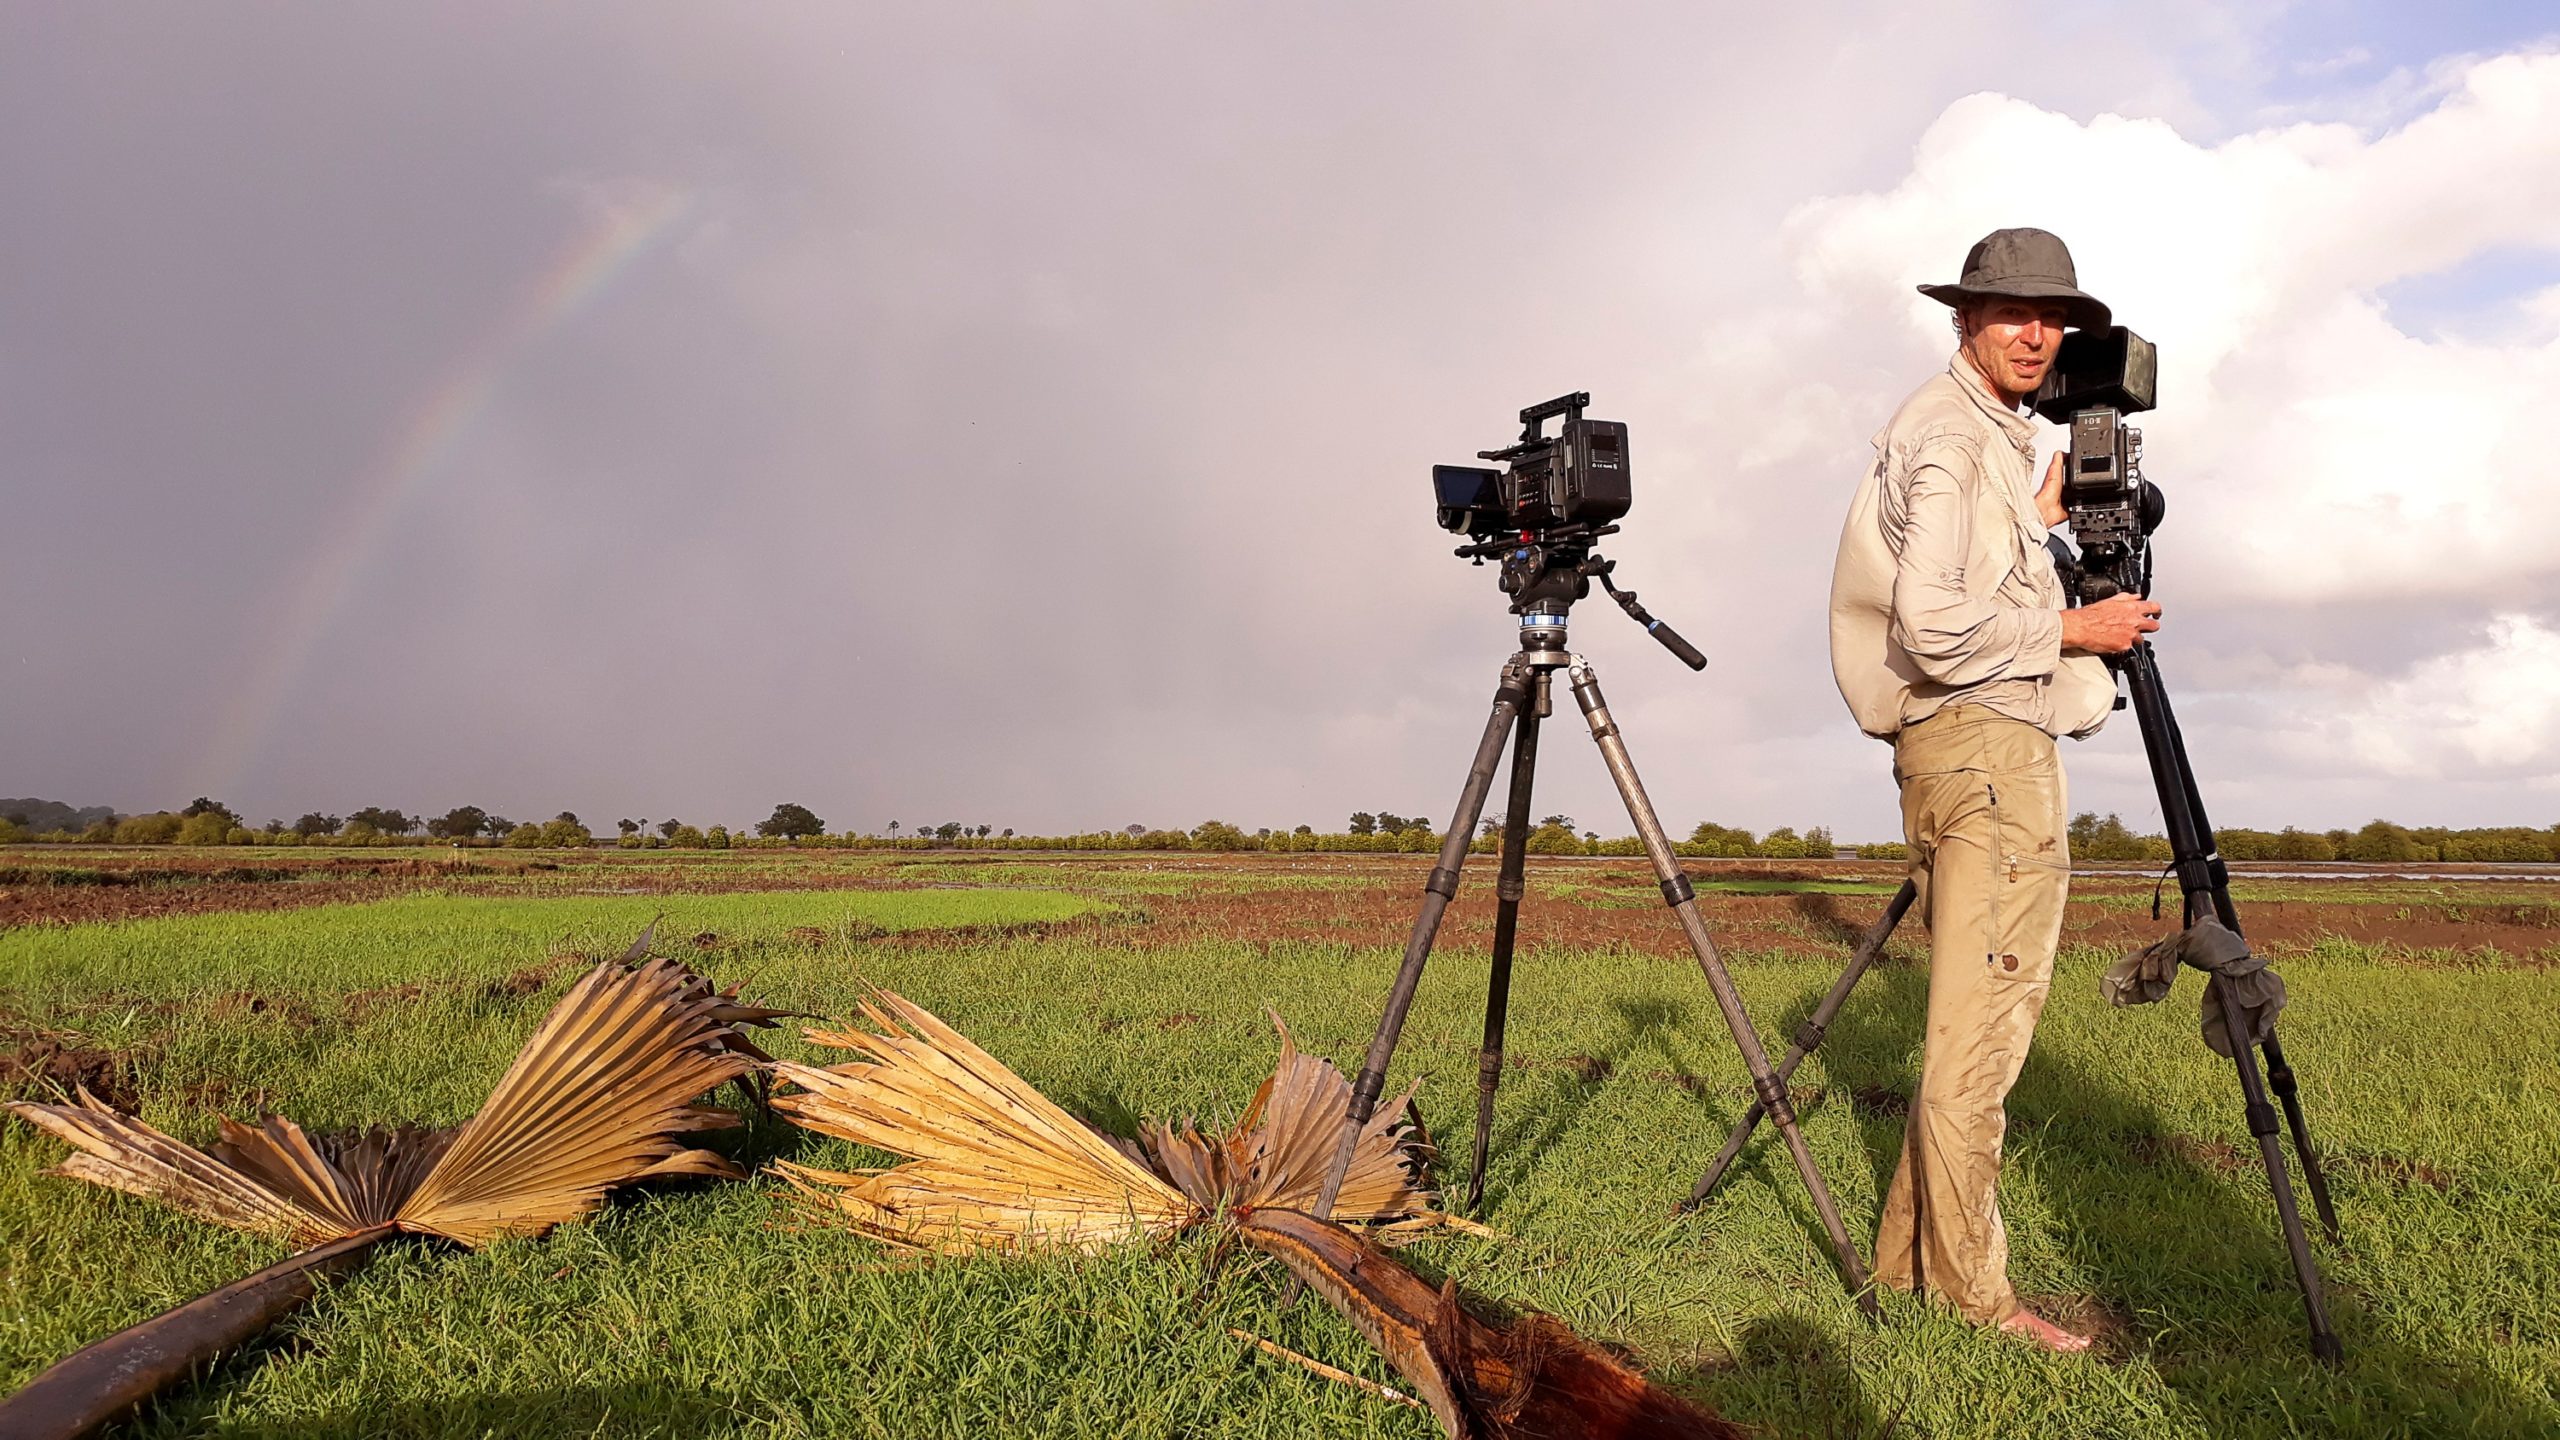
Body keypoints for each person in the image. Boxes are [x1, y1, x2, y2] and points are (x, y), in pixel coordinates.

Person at [1827, 227, 2162, 1353]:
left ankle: (1914, 1271)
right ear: (1963, 319)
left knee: (1966, 1023)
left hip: (1961, 748)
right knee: (1982, 1036)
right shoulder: (1953, 442)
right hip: (1983, 751)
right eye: (2012, 313)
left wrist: (2040, 520)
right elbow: (1933, 624)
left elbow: (1957, 576)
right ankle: (1979, 1302)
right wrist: (2076, 624)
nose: (2037, 334)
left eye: (2054, 317)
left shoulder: (1970, 439)